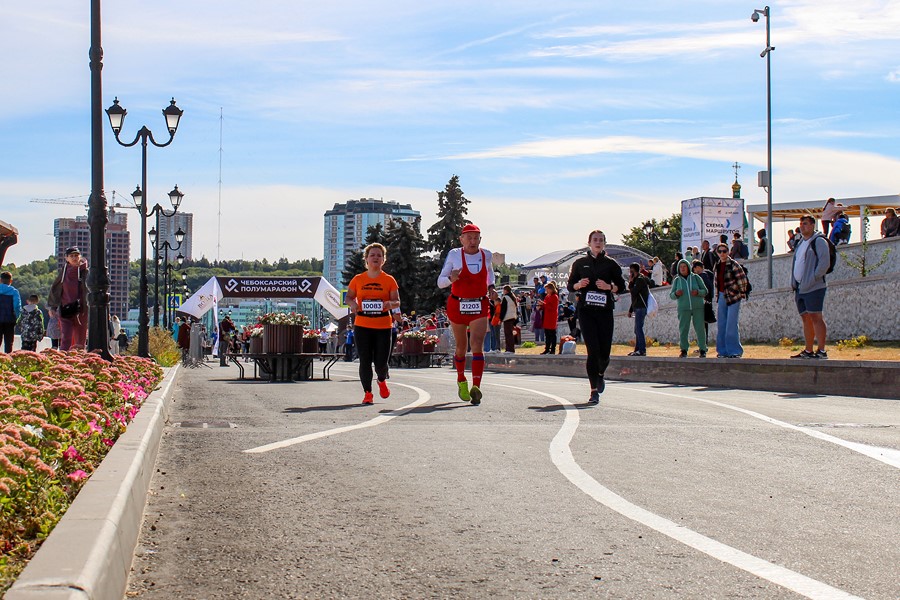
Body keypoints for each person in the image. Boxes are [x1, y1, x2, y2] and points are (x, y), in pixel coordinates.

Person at [566, 230, 626, 405]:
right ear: (589, 243)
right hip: (586, 311)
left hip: (604, 310)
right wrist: (579, 284)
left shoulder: (611, 264)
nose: (598, 242)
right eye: (595, 240)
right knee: (592, 351)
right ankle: (593, 391)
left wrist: (609, 287)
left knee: (604, 352)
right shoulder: (580, 263)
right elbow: (570, 285)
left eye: (601, 240)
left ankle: (600, 374)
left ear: (604, 243)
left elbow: (621, 286)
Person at [437, 224, 495, 405]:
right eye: (468, 237)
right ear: (461, 239)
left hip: (479, 303)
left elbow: (490, 274)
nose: (472, 241)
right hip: (458, 304)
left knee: (477, 344)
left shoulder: (486, 255)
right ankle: (461, 379)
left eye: (475, 237)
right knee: (461, 346)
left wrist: (491, 287)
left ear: (480, 239)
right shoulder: (455, 255)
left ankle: (476, 386)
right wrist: (450, 279)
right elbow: (440, 282)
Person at [347, 242, 401, 404]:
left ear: (383, 260)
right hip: (362, 325)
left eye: (379, 255)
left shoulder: (389, 280)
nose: (376, 258)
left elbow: (397, 301)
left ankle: (382, 380)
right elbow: (348, 297)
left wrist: (389, 304)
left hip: (383, 326)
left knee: (381, 363)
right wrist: (353, 304)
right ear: (367, 259)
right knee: (364, 360)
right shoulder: (358, 279)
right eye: (372, 255)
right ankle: (367, 393)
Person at [790, 215, 831, 359]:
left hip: (814, 287)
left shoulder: (819, 241)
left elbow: (824, 263)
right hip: (800, 288)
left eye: (805, 224)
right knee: (805, 318)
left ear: (813, 225)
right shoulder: (801, 243)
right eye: (801, 224)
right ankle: (808, 350)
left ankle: (821, 350)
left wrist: (812, 279)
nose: (802, 226)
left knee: (816, 317)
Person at [47, 247, 89, 351]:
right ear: (66, 258)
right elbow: (56, 288)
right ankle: (63, 357)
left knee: (80, 337)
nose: (74, 258)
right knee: (66, 336)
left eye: (76, 255)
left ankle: (79, 359)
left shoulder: (85, 272)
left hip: (81, 310)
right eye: (71, 256)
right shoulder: (64, 271)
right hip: (65, 308)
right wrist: (52, 306)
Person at [713, 244, 749, 358]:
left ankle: (734, 351)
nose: (722, 253)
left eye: (724, 251)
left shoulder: (733, 264)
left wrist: (740, 292)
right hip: (722, 296)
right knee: (721, 324)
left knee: (731, 324)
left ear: (728, 252)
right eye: (720, 251)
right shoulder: (717, 265)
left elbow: (742, 279)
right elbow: (716, 282)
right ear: (717, 253)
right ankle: (722, 351)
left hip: (733, 296)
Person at [669, 259, 708, 358]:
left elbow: (705, 291)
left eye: (684, 266)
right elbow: (671, 295)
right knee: (683, 329)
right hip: (683, 308)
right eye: (680, 267)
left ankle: (703, 349)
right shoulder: (677, 280)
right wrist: (676, 294)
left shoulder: (696, 277)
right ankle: (684, 350)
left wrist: (698, 292)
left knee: (700, 329)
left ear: (688, 267)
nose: (682, 268)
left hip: (697, 307)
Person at [626, 262, 650, 357]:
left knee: (639, 329)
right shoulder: (637, 280)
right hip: (637, 307)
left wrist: (631, 282)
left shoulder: (640, 280)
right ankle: (637, 349)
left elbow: (634, 293)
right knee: (637, 329)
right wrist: (630, 310)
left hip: (641, 307)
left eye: (630, 271)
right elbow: (634, 297)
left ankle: (642, 350)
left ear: (633, 270)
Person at [693, 260, 715, 347]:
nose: (694, 270)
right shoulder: (706, 275)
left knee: (701, 325)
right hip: (705, 302)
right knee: (702, 324)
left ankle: (702, 344)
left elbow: (706, 290)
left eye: (695, 268)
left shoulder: (702, 276)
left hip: (702, 303)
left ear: (698, 268)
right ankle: (703, 344)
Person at [0, 271, 22, 353]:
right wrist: (17, 318)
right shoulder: (14, 292)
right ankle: (7, 361)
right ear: (10, 281)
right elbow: (17, 306)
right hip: (10, 320)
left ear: (0, 280)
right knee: (9, 343)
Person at [539, 282, 559, 355]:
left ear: (551, 289)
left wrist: (544, 304)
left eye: (547, 289)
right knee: (547, 334)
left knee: (552, 334)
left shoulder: (555, 297)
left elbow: (553, 308)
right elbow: (545, 305)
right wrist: (541, 306)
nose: (546, 291)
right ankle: (547, 348)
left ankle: (553, 349)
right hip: (546, 317)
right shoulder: (547, 296)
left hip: (552, 317)